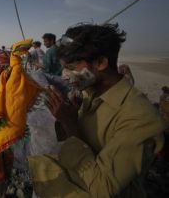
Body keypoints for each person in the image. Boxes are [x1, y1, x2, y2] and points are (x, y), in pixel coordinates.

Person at [28, 23, 165, 197]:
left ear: (100, 62)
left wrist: (70, 124)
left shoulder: (140, 119)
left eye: (71, 68)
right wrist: (67, 114)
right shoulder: (90, 92)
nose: (65, 75)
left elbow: (102, 188)